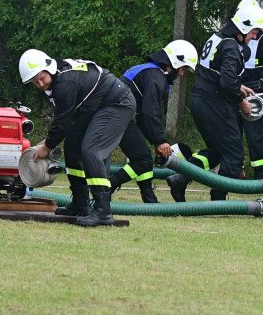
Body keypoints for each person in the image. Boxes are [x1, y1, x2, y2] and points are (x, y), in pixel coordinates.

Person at [20, 49, 136, 227]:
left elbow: (63, 121)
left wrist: (47, 146)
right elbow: (64, 120)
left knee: (92, 150)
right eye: (35, 82)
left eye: (41, 78)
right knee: (73, 146)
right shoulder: (58, 75)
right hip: (98, 106)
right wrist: (49, 141)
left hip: (117, 103)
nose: (40, 84)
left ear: (48, 68)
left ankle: (103, 211)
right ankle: (81, 204)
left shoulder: (64, 82)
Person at [187, 0, 263, 201]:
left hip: (199, 99)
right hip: (215, 104)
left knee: (216, 151)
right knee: (234, 156)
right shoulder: (232, 46)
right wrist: (242, 101)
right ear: (244, 27)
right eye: (254, 32)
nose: (255, 36)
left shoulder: (217, 38)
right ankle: (218, 200)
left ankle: (180, 178)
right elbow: (226, 82)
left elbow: (214, 73)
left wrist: (239, 86)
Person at [108, 40, 198, 203]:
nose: (182, 74)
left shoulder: (150, 72)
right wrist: (160, 141)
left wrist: (155, 141)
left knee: (142, 156)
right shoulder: (156, 77)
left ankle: (149, 198)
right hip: (117, 116)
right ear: (176, 61)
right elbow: (151, 112)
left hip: (116, 115)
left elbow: (143, 115)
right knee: (143, 160)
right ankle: (107, 188)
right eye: (183, 69)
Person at [238, 0, 263, 179]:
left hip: (255, 91)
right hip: (235, 89)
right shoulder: (235, 39)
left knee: (255, 134)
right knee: (234, 131)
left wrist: (262, 87)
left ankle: (259, 171)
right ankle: (235, 168)